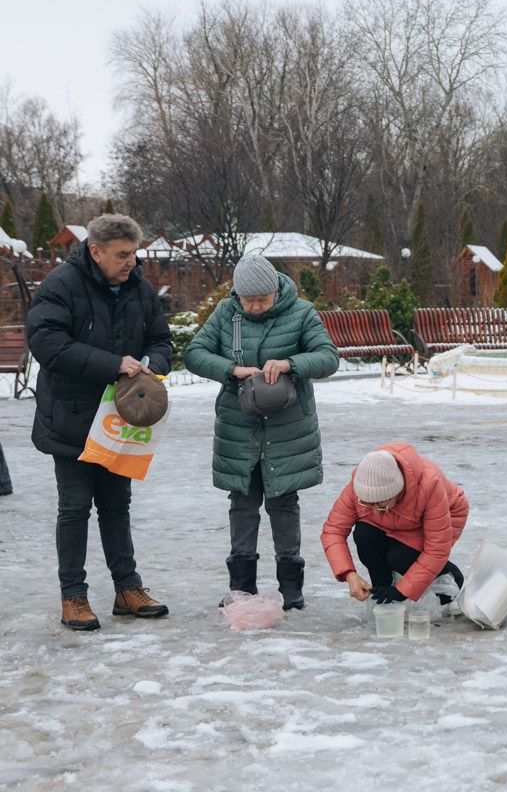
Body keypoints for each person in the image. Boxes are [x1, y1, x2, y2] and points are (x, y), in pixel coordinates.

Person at [26, 214, 172, 630]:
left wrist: (149, 366)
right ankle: (73, 595)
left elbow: (161, 339)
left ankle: (128, 589)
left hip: (119, 420)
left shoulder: (139, 289)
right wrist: (113, 364)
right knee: (74, 509)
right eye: (122, 255)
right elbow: (47, 342)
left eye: (134, 253)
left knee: (116, 506)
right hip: (70, 417)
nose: (131, 262)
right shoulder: (61, 284)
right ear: (96, 251)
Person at [184, 252, 338, 611]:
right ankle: (242, 586)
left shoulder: (301, 312)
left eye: (262, 300)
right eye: (248, 300)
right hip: (239, 427)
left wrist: (290, 364)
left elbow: (328, 356)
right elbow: (195, 353)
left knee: (284, 504)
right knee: (242, 504)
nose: (254, 307)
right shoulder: (226, 313)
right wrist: (231, 370)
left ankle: (290, 587)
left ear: (275, 292)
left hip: (287, 428)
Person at [320, 444, 467, 607]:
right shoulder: (361, 484)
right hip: (394, 521)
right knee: (364, 534)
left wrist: (402, 591)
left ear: (398, 490)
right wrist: (349, 574)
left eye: (381, 503)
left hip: (444, 515)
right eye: (368, 503)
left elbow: (437, 549)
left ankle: (450, 578)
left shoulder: (430, 484)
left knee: (399, 558)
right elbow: (333, 531)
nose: (375, 509)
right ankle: (382, 591)